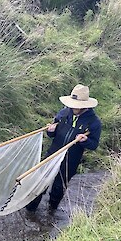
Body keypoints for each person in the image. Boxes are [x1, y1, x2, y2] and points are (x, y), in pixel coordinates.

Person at [25, 84, 101, 212]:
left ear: (85, 106)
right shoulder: (64, 113)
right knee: (39, 183)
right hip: (52, 154)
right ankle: (30, 211)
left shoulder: (94, 123)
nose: (72, 107)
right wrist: (51, 131)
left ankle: (51, 211)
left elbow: (94, 145)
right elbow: (52, 134)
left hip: (70, 161)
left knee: (58, 188)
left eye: (76, 106)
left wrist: (85, 140)